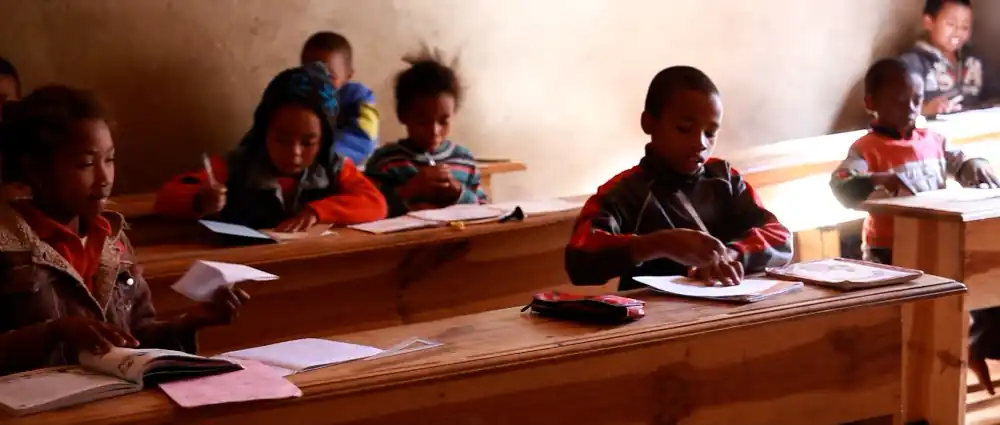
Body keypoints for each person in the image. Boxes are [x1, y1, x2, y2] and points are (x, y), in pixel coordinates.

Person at [0, 85, 248, 375]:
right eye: (86, 164)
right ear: (36, 170)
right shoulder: (9, 247)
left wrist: (192, 321)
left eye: (110, 159)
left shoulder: (112, 240)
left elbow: (137, 337)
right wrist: (54, 332)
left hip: (117, 398)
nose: (104, 178)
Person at [829, 57, 1000, 393]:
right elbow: (841, 183)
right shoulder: (867, 149)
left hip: (940, 243)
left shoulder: (933, 139)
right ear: (871, 103)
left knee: (986, 274)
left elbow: (962, 161)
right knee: (904, 324)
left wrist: (977, 165)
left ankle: (975, 346)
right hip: (890, 252)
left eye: (916, 99)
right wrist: (877, 179)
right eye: (898, 100)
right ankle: (901, 385)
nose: (910, 108)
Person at [564, 66, 792, 290]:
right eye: (684, 128)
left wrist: (731, 254)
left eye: (710, 133)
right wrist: (657, 244)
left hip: (729, 306)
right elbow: (579, 256)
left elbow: (780, 236)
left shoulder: (724, 179)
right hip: (655, 312)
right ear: (649, 123)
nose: (701, 143)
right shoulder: (623, 193)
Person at [155, 62, 387, 231]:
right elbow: (165, 198)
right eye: (282, 140)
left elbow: (375, 203)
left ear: (324, 140)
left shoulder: (332, 166)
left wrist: (317, 212)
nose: (294, 153)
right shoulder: (238, 164)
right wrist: (200, 199)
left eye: (308, 142)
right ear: (264, 131)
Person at [365, 49, 486, 217]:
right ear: (403, 115)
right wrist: (410, 190)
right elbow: (368, 209)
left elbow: (485, 209)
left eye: (443, 121)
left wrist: (458, 192)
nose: (434, 131)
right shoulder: (385, 161)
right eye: (423, 122)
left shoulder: (464, 160)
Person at [901, 0, 1000, 116]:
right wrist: (927, 109)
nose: (958, 33)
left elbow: (995, 94)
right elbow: (902, 108)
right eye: (951, 24)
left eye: (965, 27)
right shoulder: (913, 63)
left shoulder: (975, 60)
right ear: (929, 22)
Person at [300, 31, 379, 165]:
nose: (318, 81)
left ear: (348, 76)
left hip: (348, 162)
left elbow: (363, 138)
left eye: (329, 76)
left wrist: (321, 152)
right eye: (309, 73)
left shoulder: (359, 98)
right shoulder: (295, 94)